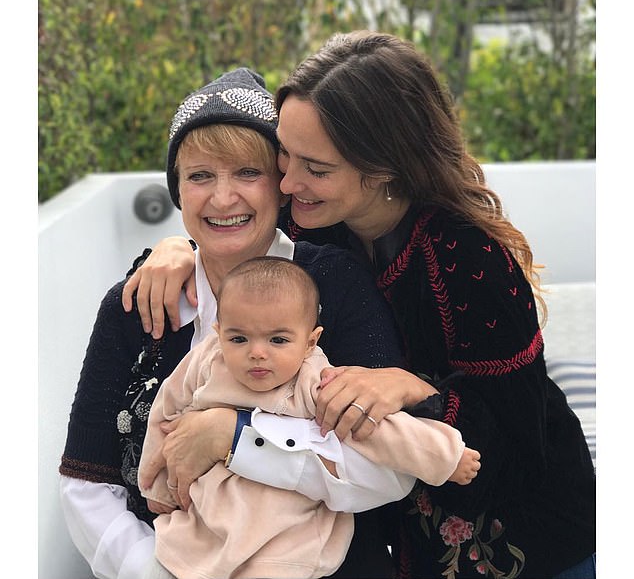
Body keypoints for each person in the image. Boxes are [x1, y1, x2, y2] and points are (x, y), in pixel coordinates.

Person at [133, 32, 596, 578]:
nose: (287, 182)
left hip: (528, 539)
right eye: (285, 153)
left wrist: (415, 388)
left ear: (382, 171)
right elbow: (241, 245)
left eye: (315, 168)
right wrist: (178, 251)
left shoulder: (467, 259)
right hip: (400, 538)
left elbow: (519, 436)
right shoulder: (316, 222)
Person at [59, 67, 436, 579]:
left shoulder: (332, 284)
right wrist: (154, 571)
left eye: (246, 172)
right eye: (199, 176)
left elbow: (389, 470)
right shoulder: (137, 307)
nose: (222, 198)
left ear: (281, 188)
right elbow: (86, 480)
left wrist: (239, 438)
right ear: (177, 191)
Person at [140, 256, 480, 579]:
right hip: (206, 524)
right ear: (218, 332)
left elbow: (381, 430)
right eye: (238, 338)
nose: (257, 352)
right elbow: (166, 410)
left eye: (278, 339)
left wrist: (445, 456)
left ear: (309, 342)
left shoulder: (314, 381)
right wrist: (156, 485)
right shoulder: (208, 361)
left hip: (286, 539)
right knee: (173, 558)